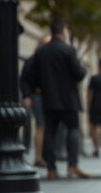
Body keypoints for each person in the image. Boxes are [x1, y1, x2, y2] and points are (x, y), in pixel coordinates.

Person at [22, 18, 90, 179]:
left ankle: (51, 168)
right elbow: (79, 74)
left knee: (49, 133)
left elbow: (29, 75)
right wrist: (83, 68)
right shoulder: (68, 50)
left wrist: (37, 87)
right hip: (68, 100)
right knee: (73, 129)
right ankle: (72, 165)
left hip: (49, 99)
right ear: (63, 30)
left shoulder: (41, 52)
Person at [21, 34, 52, 167]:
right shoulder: (33, 60)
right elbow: (23, 79)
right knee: (41, 126)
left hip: (47, 97)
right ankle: (38, 157)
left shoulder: (47, 60)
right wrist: (27, 96)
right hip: (36, 96)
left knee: (45, 126)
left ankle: (43, 156)